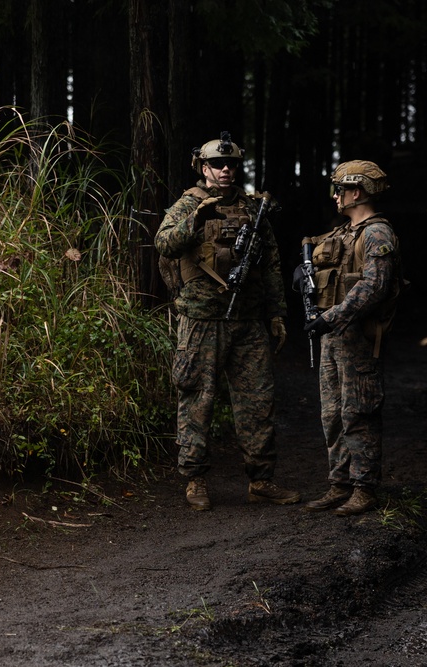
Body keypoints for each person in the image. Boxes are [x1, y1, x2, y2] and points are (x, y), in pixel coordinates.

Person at [154, 131, 300, 511]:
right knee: (196, 399)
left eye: (231, 164)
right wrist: (194, 221)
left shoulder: (254, 209)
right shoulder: (189, 204)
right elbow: (163, 244)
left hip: (248, 320)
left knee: (258, 402)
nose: (225, 170)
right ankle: (195, 480)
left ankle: (261, 479)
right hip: (201, 319)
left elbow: (270, 264)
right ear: (203, 168)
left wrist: (277, 313)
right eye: (216, 164)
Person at [301, 160, 403, 516]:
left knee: (358, 412)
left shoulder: (377, 234)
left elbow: (374, 286)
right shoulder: (343, 232)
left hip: (358, 340)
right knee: (332, 414)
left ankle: (364, 488)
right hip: (333, 338)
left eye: (340, 190)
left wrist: (331, 317)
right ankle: (339, 483)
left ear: (355, 191)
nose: (336, 196)